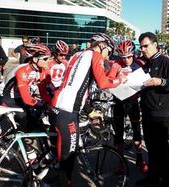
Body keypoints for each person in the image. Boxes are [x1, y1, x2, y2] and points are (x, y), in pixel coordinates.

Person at [48, 33, 126, 186]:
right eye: (108, 51)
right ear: (102, 45)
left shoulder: (77, 54)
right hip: (67, 112)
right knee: (68, 159)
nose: (107, 55)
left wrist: (89, 110)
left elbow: (80, 86)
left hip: (57, 106)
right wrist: (120, 80)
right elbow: (103, 83)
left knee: (61, 151)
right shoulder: (95, 55)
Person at [136, 32, 169, 187]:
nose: (143, 49)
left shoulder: (166, 62)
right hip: (147, 111)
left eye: (146, 46)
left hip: (160, 114)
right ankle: (152, 178)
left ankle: (168, 181)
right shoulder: (146, 63)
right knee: (151, 148)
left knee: (162, 150)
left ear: (155, 44)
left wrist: (160, 81)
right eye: (141, 46)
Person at [111, 40, 148, 173]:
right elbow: (108, 81)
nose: (126, 60)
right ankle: (120, 161)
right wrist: (116, 77)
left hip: (132, 103)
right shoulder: (116, 65)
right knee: (119, 133)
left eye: (129, 56)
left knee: (137, 132)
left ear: (134, 54)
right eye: (123, 57)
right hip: (119, 103)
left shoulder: (139, 64)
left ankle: (139, 158)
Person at [0, 44, 52, 131]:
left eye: (49, 58)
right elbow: (27, 99)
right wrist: (44, 105)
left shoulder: (41, 70)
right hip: (7, 96)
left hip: (20, 96)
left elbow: (43, 93)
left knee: (34, 121)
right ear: (35, 59)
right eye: (45, 59)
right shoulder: (22, 70)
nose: (48, 61)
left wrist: (53, 103)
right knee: (24, 119)